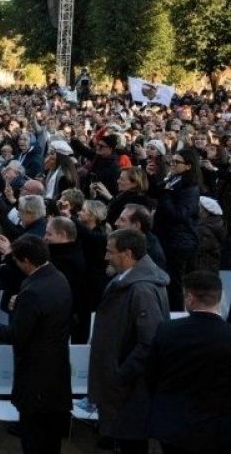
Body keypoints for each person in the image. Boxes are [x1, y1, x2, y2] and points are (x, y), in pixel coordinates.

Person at [0, 235, 72, 454]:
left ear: (26, 260)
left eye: (16, 260)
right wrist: (19, 305)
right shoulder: (58, 278)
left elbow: (16, 335)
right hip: (56, 374)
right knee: (50, 439)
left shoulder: (34, 290)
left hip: (36, 377)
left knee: (34, 438)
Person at [89, 229, 169, 454]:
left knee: (132, 445)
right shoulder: (126, 281)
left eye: (110, 252)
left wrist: (119, 374)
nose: (106, 257)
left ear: (127, 253)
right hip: (124, 390)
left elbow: (149, 341)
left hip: (130, 391)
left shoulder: (141, 289)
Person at [147, 271, 231, 454]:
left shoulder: (167, 330)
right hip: (217, 430)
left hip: (172, 427)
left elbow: (151, 375)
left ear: (190, 298)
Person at [148, 148, 200, 310]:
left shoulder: (190, 188)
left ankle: (176, 315)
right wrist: (151, 176)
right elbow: (154, 192)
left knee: (174, 285)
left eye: (177, 162)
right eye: (172, 161)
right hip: (168, 238)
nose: (172, 165)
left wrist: (166, 194)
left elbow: (180, 214)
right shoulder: (172, 179)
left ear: (188, 166)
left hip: (179, 242)